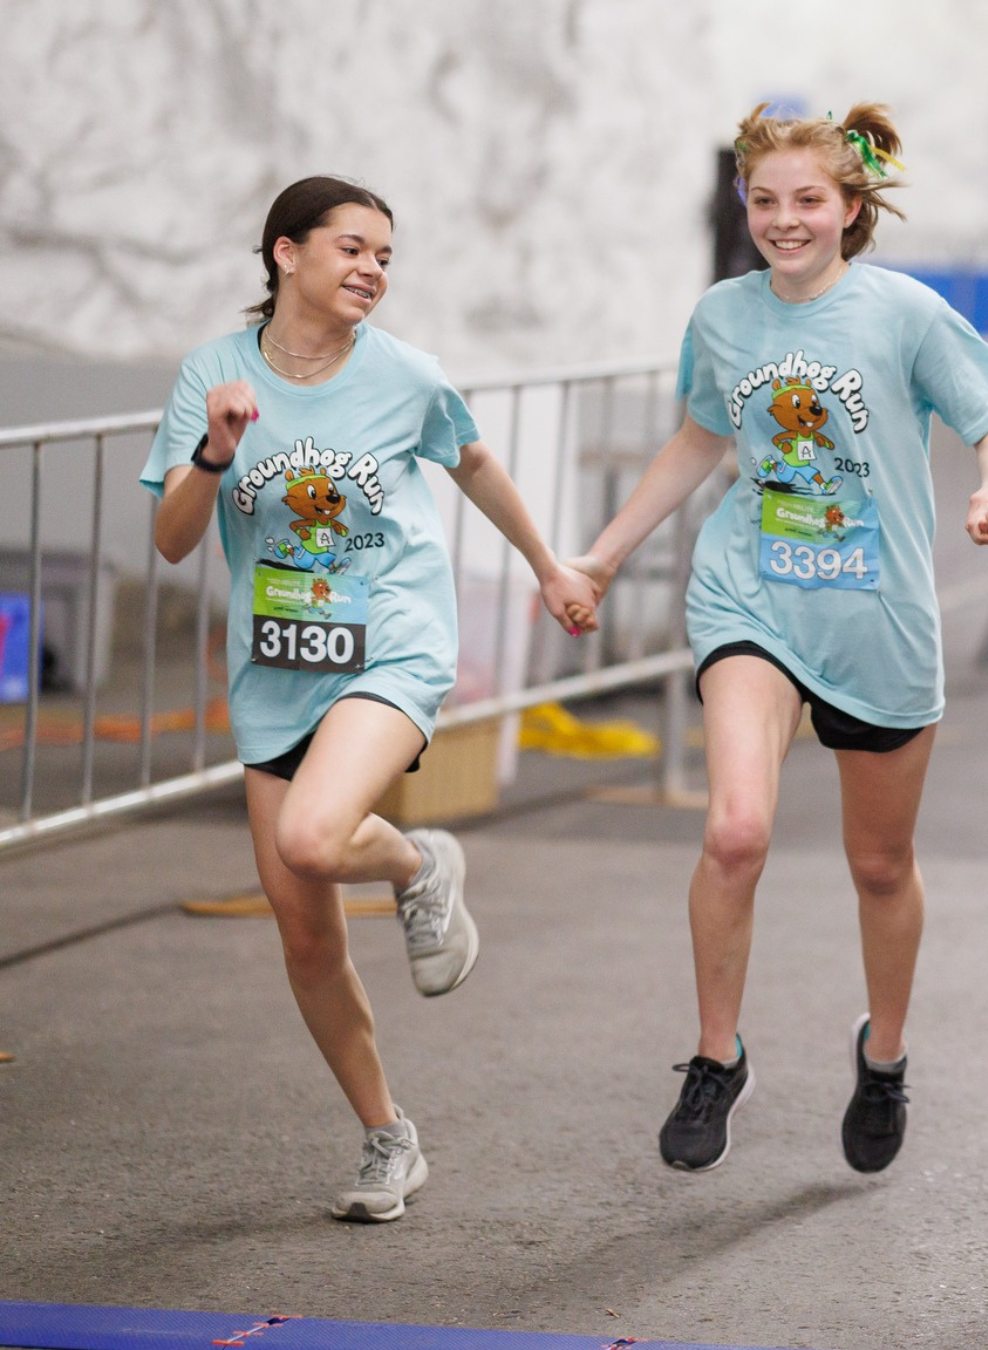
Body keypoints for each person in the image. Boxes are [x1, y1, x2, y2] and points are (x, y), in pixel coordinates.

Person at [564, 105, 988, 1176]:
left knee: (880, 866)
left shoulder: (904, 313)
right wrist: (602, 554)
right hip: (753, 596)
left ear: (850, 208)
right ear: (745, 206)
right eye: (764, 201)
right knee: (736, 831)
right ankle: (716, 1055)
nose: (784, 220)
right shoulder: (723, 317)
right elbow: (700, 436)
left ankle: (884, 1055)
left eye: (807, 201)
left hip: (875, 617)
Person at [142, 176, 596, 1222]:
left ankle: (415, 855)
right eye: (352, 249)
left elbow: (473, 458)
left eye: (386, 256)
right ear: (284, 254)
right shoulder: (211, 375)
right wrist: (216, 448)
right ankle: (387, 1137)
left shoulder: (404, 376)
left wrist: (547, 565)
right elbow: (171, 541)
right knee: (307, 938)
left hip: (388, 647)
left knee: (312, 838)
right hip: (273, 668)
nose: (372, 271)